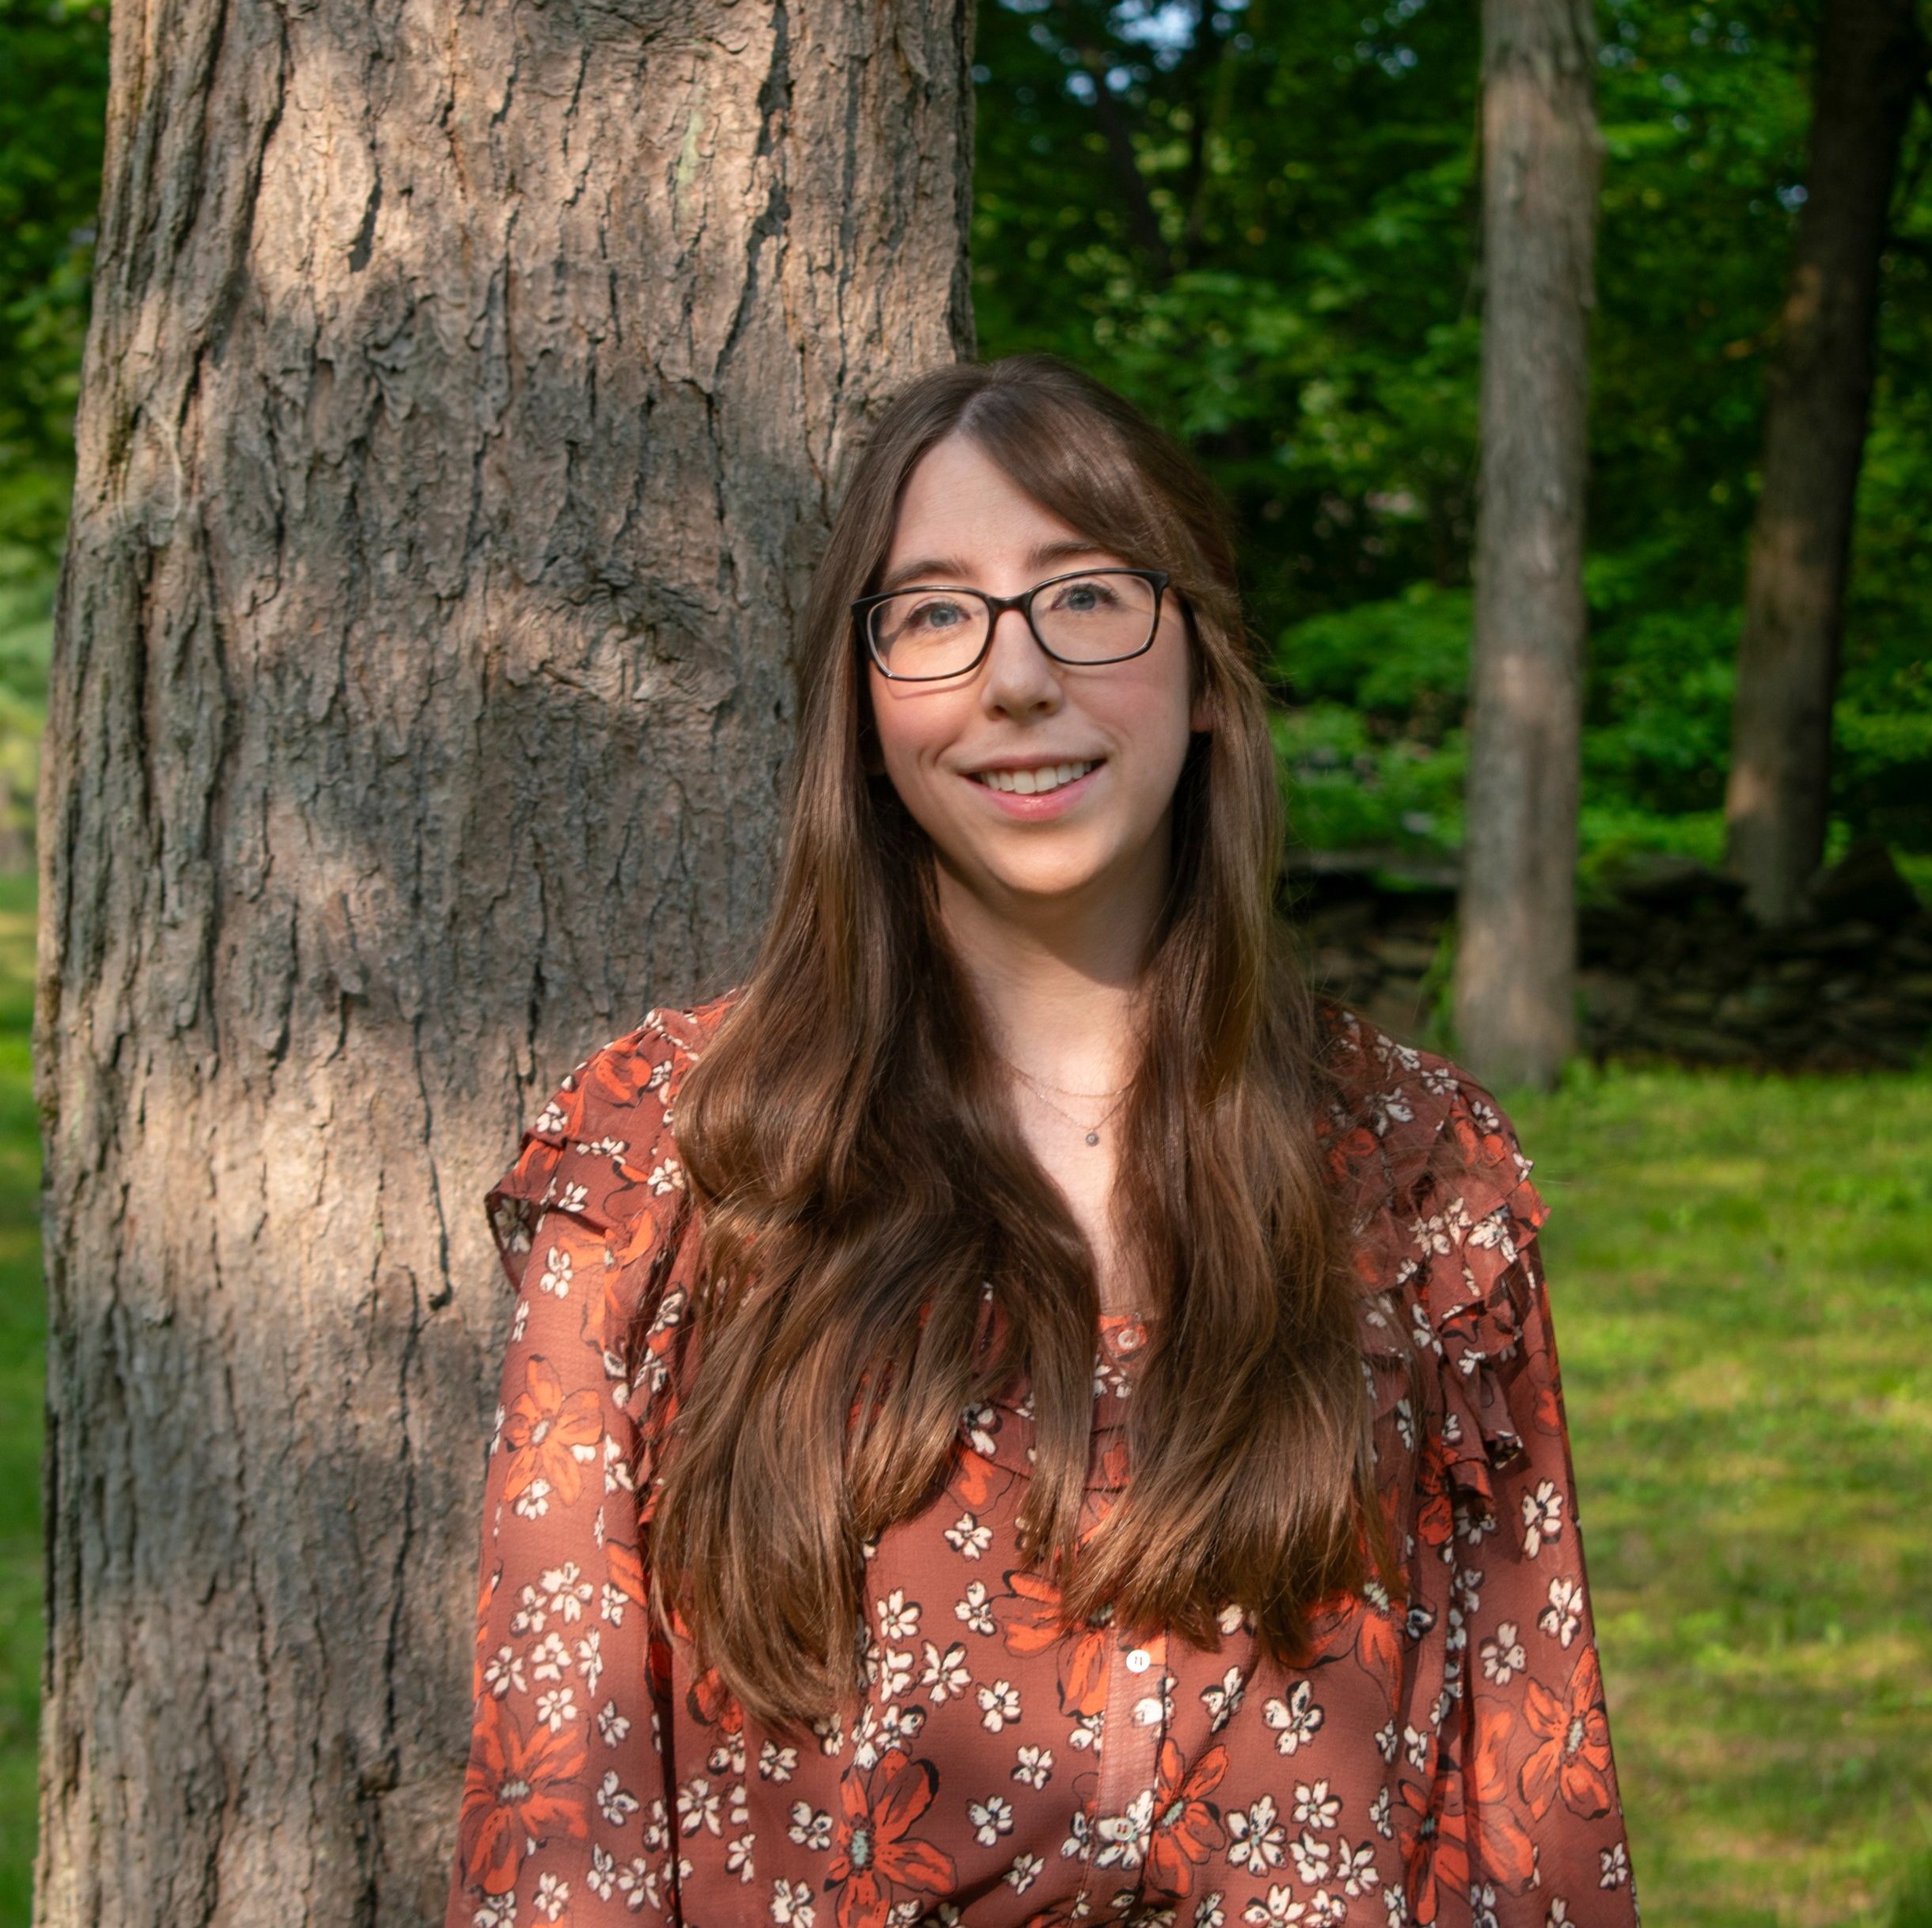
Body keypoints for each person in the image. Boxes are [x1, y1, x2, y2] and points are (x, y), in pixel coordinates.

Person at [445, 355, 1636, 1928]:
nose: (1014, 678)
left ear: (1203, 669)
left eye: (1083, 597)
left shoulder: (1415, 1180)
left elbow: (1525, 1816)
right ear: (865, 712)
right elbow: (563, 1825)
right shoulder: (674, 1162)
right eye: (932, 612)